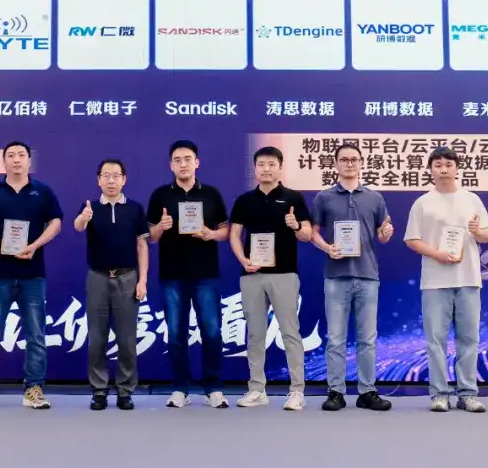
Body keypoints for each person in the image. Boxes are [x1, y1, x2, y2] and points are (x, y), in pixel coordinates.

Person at [0, 141, 63, 411]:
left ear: (29, 160)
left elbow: (56, 222)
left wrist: (35, 245)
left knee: (36, 334)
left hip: (32, 275)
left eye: (21, 155)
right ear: (4, 161)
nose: (16, 159)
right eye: (11, 155)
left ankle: (34, 389)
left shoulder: (42, 192)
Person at [403, 146, 488, 414]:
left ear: (457, 168)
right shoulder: (423, 202)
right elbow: (412, 239)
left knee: (469, 338)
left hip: (468, 278)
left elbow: (486, 235)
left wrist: (477, 231)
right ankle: (439, 394)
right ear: (430, 170)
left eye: (448, 164)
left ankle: (468, 394)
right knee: (435, 340)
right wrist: (437, 254)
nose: (443, 169)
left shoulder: (472, 199)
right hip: (434, 281)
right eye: (438, 165)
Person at [310, 143, 395, 413]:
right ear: (335, 164)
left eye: (354, 159)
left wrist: (386, 233)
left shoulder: (374, 197)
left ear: (361, 163)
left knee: (367, 339)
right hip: (336, 276)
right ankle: (335, 391)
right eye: (344, 159)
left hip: (368, 275)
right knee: (335, 338)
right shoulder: (323, 197)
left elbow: (383, 233)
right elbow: (312, 232)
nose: (349, 164)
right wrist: (327, 248)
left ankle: (367, 391)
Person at [147, 140, 230, 409]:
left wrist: (210, 234)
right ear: (171, 165)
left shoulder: (212, 194)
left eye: (187, 159)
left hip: (206, 274)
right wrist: (161, 227)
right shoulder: (160, 195)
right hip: (172, 274)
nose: (183, 164)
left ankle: (213, 387)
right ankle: (180, 387)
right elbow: (151, 237)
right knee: (175, 333)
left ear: (197, 163)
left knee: (212, 332)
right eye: (177, 160)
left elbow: (226, 230)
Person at [228, 146, 312, 411]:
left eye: (271, 164)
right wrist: (243, 260)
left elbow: (307, 234)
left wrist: (296, 226)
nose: (266, 169)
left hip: (284, 274)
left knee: (290, 332)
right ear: (254, 168)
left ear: (280, 167)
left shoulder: (293, 198)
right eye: (261, 164)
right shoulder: (245, 200)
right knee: (255, 334)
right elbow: (234, 235)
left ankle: (297, 391)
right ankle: (257, 389)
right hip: (252, 274)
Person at [74, 159, 149, 411]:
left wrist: (143, 279)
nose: (111, 180)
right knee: (97, 337)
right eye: (106, 175)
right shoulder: (91, 207)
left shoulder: (135, 208)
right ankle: (99, 390)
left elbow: (142, 245)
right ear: (98, 180)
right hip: (98, 277)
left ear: (124, 179)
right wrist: (83, 218)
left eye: (116, 175)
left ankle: (125, 390)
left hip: (128, 277)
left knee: (127, 338)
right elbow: (77, 227)